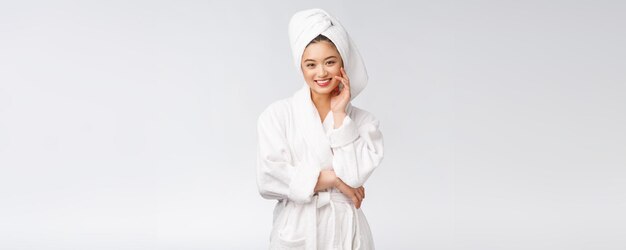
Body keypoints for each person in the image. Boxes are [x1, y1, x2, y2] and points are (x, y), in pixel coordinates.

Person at [256, 8, 384, 249]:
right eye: (311, 64)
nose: (321, 73)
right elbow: (268, 179)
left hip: (348, 232)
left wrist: (339, 116)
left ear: (343, 64)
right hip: (298, 230)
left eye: (330, 62)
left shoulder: (365, 122)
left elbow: (355, 176)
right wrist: (335, 180)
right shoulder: (277, 116)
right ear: (301, 68)